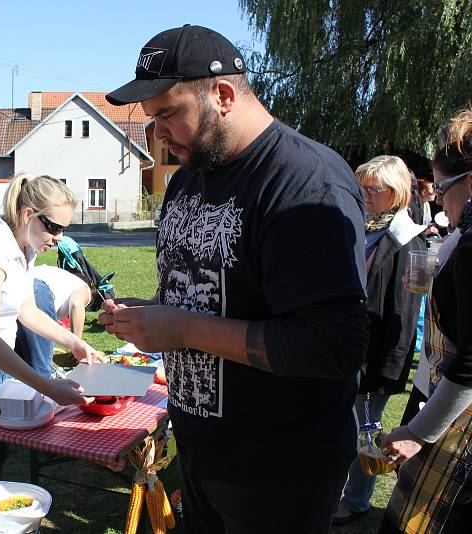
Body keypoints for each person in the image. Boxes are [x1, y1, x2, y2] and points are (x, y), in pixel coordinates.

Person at [99, 24, 368, 533]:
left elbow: (334, 346)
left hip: (279, 472)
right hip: (200, 453)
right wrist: (149, 312)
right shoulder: (187, 180)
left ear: (222, 95)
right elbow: (205, 287)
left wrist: (178, 328)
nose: (157, 134)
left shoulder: (305, 181)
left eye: (167, 114)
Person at [0, 173, 101, 485]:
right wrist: (47, 386)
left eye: (65, 228)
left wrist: (74, 343)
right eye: (54, 227)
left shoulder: (24, 250)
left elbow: (27, 312)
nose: (59, 237)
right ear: (29, 215)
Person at [378, 109, 472, 534]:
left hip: (459, 428)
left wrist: (419, 431)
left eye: (443, 188)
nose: (436, 200)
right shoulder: (460, 239)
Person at [332, 156, 426, 525]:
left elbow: (403, 314)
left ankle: (356, 501)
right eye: (363, 186)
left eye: (375, 189)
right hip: (350, 351)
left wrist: (386, 371)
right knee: (347, 428)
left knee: (363, 433)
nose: (366, 194)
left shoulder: (406, 240)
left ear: (397, 193)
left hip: (375, 359)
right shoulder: (365, 227)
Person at [14, 265, 92, 377]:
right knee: (40, 370)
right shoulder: (85, 288)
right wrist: (76, 344)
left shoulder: (60, 277)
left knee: (19, 363)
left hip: (18, 288)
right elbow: (76, 304)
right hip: (38, 292)